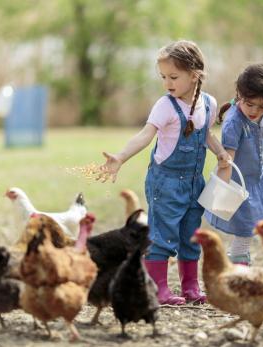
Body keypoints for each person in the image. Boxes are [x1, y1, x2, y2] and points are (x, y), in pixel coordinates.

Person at [98, 40, 230, 305]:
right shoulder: (165, 106)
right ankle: (158, 288)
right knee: (162, 235)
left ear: (195, 75)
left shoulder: (208, 103)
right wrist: (121, 157)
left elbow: (206, 134)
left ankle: (191, 287)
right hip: (165, 182)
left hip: (195, 182)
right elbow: (146, 135)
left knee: (190, 234)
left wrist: (220, 152)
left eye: (173, 77)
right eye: (163, 77)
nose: (167, 83)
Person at [206, 62, 263, 266]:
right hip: (242, 186)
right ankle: (238, 270)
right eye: (250, 104)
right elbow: (227, 160)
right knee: (245, 232)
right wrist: (221, 190)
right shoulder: (234, 123)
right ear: (239, 95)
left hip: (262, 180)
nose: (255, 111)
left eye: (262, 106)